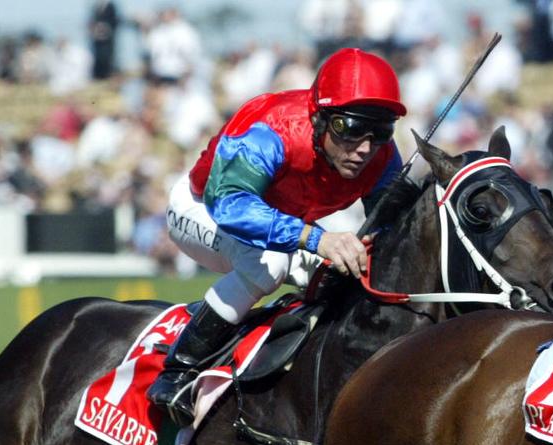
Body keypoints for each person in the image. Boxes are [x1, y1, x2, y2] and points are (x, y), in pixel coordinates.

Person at [149, 48, 406, 424]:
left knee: (346, 272)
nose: (365, 148)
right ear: (320, 117)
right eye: (350, 129)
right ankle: (177, 371)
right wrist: (318, 240)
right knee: (269, 264)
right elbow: (230, 204)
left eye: (380, 132)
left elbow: (390, 228)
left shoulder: (382, 157)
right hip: (203, 209)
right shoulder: (273, 131)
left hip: (281, 224)